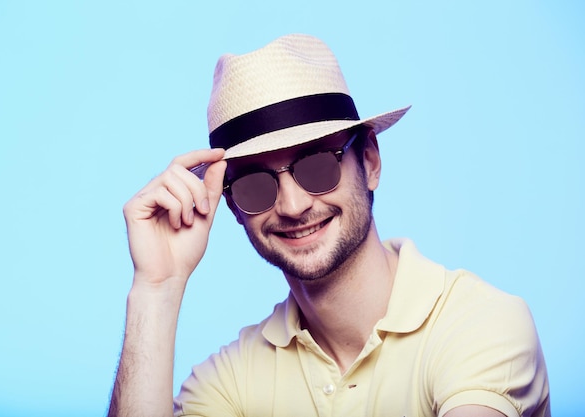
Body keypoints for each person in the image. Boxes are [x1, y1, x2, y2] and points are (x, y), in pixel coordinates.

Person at [108, 34, 550, 416]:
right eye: (256, 185)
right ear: (231, 205)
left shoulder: (479, 323)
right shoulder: (231, 381)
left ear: (371, 162)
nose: (293, 205)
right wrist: (157, 289)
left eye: (318, 165)